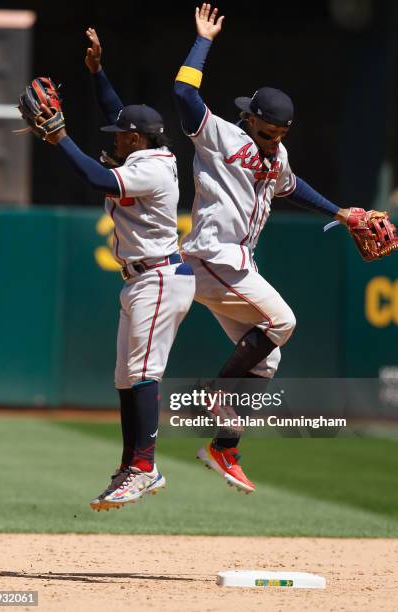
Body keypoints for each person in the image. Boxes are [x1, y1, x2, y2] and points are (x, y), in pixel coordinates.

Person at [173, 4, 351, 494]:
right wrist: (203, 40)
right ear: (249, 118)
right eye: (268, 131)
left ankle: (222, 447)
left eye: (281, 135)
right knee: (283, 322)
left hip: (234, 264)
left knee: (265, 361)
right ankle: (215, 394)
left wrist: (342, 213)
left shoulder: (279, 155)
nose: (274, 141)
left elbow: (292, 187)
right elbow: (184, 93)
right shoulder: (220, 136)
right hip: (214, 254)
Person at [41, 28, 195, 509]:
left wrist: (59, 136)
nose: (114, 137)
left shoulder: (148, 168)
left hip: (159, 277)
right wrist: (97, 73)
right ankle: (133, 465)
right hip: (142, 279)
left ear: (136, 138)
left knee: (143, 373)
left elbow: (92, 175)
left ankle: (145, 468)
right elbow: (118, 114)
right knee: (127, 378)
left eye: (120, 135)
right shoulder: (147, 148)